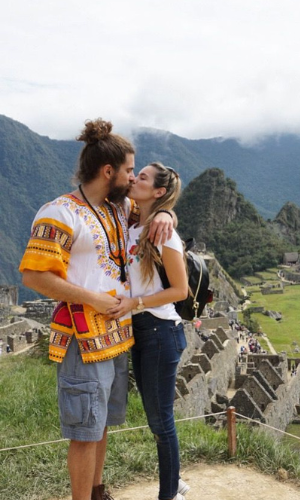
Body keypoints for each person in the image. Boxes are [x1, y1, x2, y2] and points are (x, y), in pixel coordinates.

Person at [19, 119, 173, 500]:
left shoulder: (117, 210)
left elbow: (159, 209)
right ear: (109, 172)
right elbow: (34, 276)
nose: (133, 177)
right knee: (84, 432)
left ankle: (98, 489)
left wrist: (168, 215)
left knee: (101, 423)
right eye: (128, 170)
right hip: (82, 338)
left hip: (116, 336)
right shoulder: (59, 213)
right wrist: (91, 298)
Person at [107, 162, 189, 500]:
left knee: (160, 420)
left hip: (159, 330)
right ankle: (176, 482)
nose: (132, 178)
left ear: (158, 191)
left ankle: (170, 494)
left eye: (141, 177)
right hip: (142, 330)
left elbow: (180, 290)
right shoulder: (134, 223)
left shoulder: (162, 232)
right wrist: (166, 212)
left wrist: (134, 303)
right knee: (156, 417)